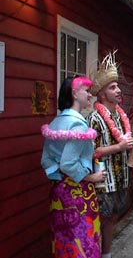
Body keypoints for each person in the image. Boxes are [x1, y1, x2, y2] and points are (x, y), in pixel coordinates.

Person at [41, 75, 106, 258]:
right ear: (74, 93)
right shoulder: (78, 124)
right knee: (82, 241)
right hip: (77, 193)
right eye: (86, 91)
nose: (90, 95)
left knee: (63, 240)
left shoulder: (56, 122)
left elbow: (46, 160)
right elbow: (68, 163)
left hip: (58, 191)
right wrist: (91, 177)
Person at [86, 52, 133, 258]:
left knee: (113, 217)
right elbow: (91, 151)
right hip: (104, 180)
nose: (118, 90)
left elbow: (123, 143)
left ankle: (106, 252)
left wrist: (132, 147)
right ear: (101, 94)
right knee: (104, 219)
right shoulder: (94, 118)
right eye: (112, 87)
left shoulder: (119, 115)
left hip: (120, 177)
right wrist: (120, 147)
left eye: (117, 86)